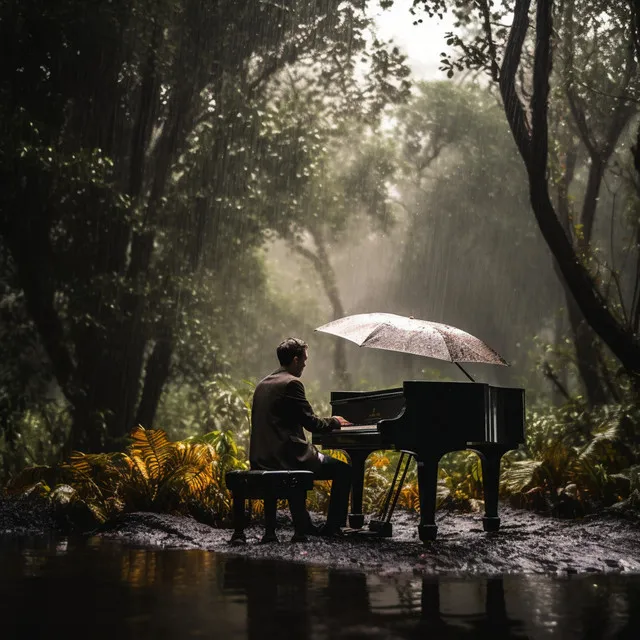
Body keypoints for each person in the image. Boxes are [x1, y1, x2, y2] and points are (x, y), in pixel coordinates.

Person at [250, 337, 352, 536]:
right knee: (344, 471)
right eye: (304, 360)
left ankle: (304, 525)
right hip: (285, 458)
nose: (305, 364)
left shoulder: (262, 384)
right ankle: (333, 527)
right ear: (295, 360)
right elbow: (311, 423)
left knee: (321, 467)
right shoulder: (291, 383)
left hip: (262, 458)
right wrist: (334, 421)